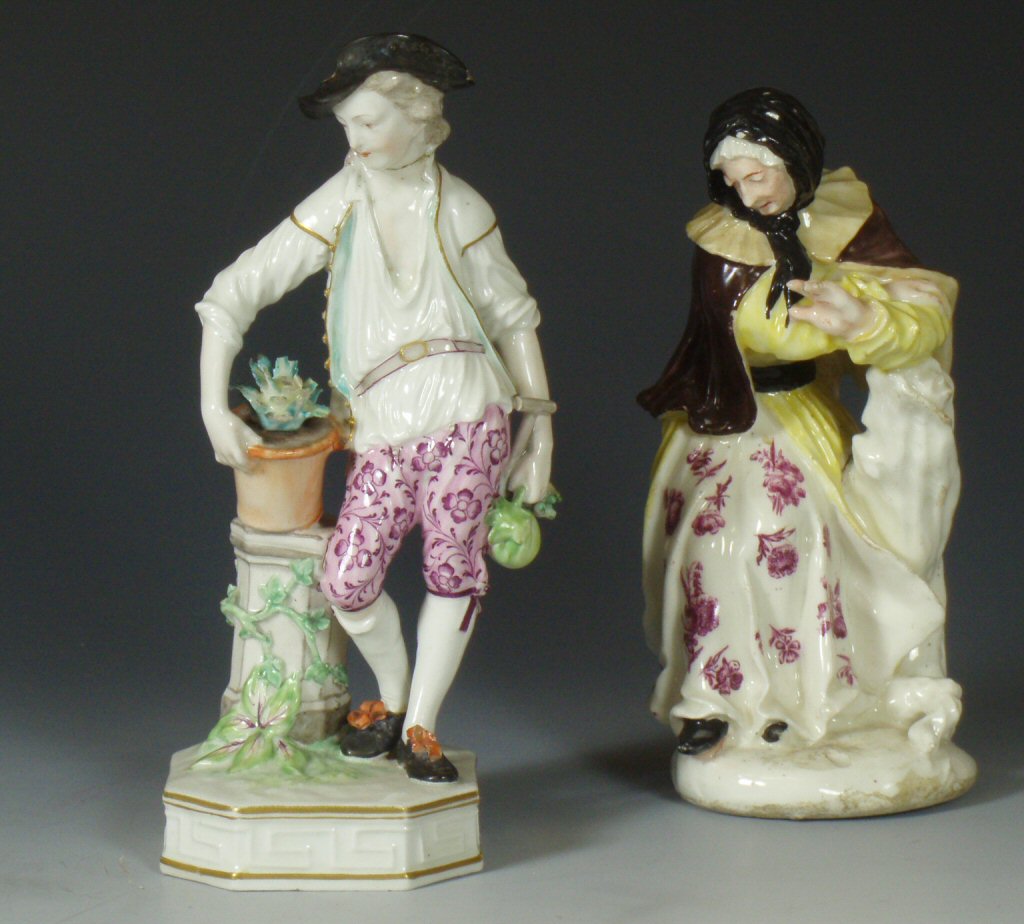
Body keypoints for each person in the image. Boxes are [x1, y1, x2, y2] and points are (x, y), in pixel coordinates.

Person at [197, 35, 553, 782]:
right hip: (386, 425)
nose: (354, 139)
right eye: (346, 126)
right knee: (348, 580)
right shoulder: (343, 200)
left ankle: (421, 723)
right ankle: (389, 697)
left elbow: (513, 316)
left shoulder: (462, 207)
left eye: (368, 122)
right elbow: (234, 292)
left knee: (453, 569)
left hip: (466, 411)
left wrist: (540, 428)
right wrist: (211, 402)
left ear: (419, 119)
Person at [638, 88, 961, 760]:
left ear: (795, 161)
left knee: (793, 542)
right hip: (727, 415)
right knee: (715, 544)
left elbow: (924, 308)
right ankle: (714, 699)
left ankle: (807, 697)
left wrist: (866, 322)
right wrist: (814, 323)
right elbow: (748, 332)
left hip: (801, 413)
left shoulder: (851, 224)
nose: (745, 194)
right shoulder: (721, 240)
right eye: (731, 181)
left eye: (757, 176)